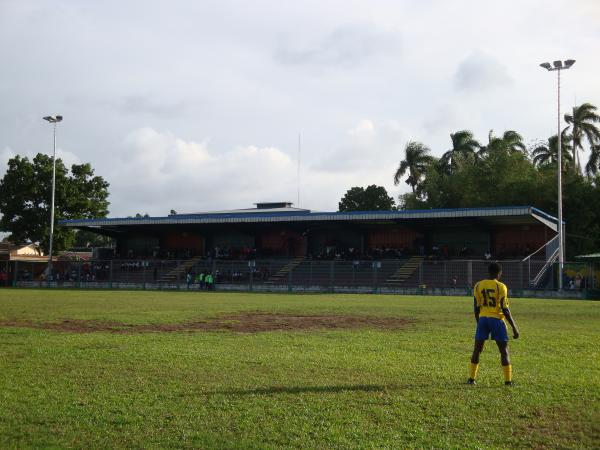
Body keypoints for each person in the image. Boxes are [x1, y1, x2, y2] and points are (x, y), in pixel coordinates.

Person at [468, 262, 520, 386]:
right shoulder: (501, 286)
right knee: (504, 350)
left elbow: (476, 307)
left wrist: (479, 322)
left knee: (477, 350)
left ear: (488, 272)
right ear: (499, 273)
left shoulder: (478, 285)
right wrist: (514, 327)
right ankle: (508, 381)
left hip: (483, 319)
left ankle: (471, 379)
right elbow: (505, 309)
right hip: (496, 320)